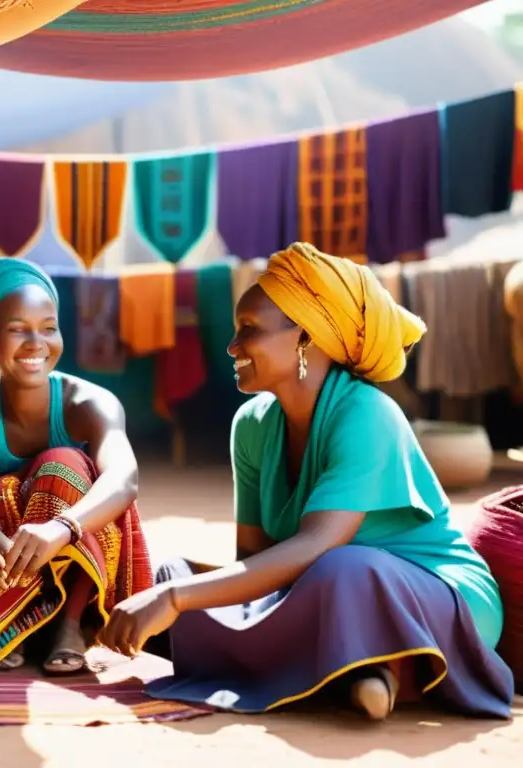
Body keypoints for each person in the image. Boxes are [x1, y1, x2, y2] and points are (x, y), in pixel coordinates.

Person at [99, 243, 513, 720]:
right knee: (177, 570)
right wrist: (176, 588)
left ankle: (365, 667)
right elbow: (255, 562)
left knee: (343, 567)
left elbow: (317, 546)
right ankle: (356, 671)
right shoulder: (251, 424)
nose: (232, 347)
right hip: (319, 590)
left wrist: (173, 602)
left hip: (440, 598)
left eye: (249, 331)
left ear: (305, 340)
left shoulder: (367, 414)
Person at [0, 258, 153, 675]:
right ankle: (15, 622)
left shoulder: (90, 402)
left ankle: (66, 624)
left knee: (65, 464)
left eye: (49, 327)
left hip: (69, 560)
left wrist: (62, 527)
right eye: (18, 329)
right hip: (0, 569)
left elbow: (124, 478)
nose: (37, 342)